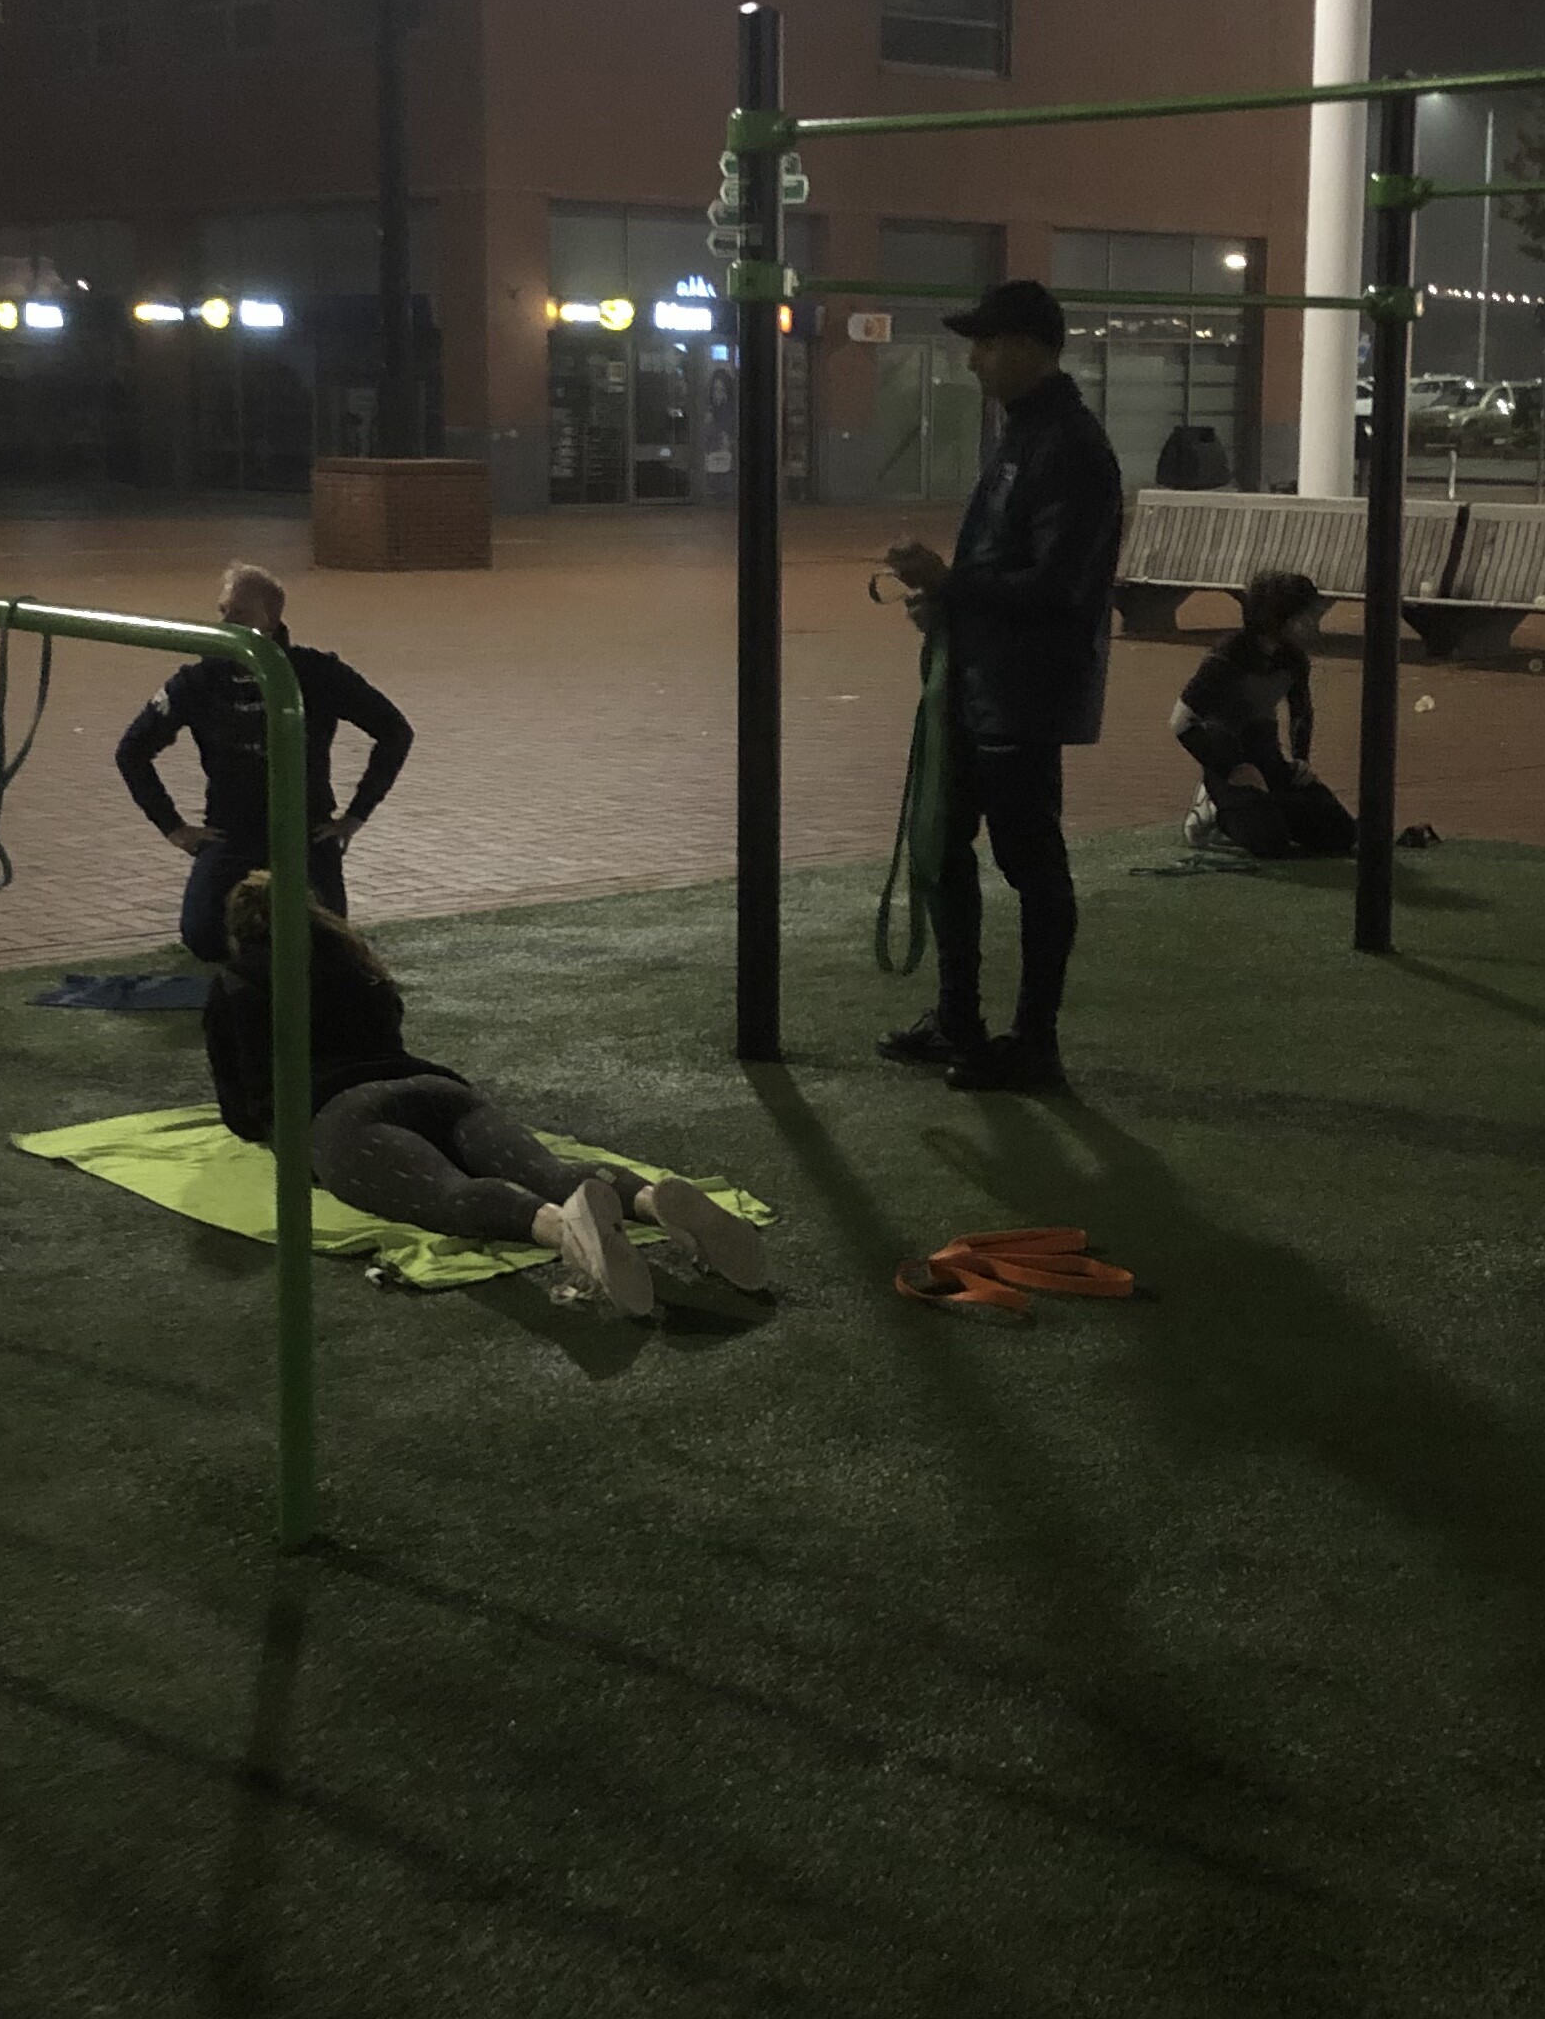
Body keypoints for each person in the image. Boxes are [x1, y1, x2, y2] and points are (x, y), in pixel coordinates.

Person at [201, 877, 766, 1318]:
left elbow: (242, 1104)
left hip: (341, 1113)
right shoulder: (355, 961)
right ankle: (649, 1200)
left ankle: (565, 1230)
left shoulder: (236, 983)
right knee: (547, 1169)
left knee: (446, 1194)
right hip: (438, 1089)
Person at [879, 279, 1126, 1093]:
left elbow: (1059, 587)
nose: (974, 361)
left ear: (1029, 346)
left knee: (1031, 864)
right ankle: (960, 1021)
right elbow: (1017, 572)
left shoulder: (1069, 447)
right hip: (985, 681)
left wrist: (952, 587)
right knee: (945, 844)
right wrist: (949, 600)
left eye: (986, 344)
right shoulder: (1029, 435)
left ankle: (1034, 1042)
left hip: (1025, 692)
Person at [113, 563, 415, 957]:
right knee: (204, 937)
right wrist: (174, 828)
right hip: (232, 834)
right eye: (223, 612)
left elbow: (395, 731)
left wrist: (355, 816)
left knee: (322, 942)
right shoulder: (200, 681)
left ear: (271, 621)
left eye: (239, 614)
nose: (226, 624)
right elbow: (132, 751)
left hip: (306, 832)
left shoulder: (316, 673)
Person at [1170, 567, 1339, 851]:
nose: (1313, 622)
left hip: (1268, 759)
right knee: (1271, 843)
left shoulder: (1293, 659)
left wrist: (1301, 760)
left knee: (1339, 833)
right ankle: (1211, 806)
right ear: (1279, 618)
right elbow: (1181, 722)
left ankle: (1268, 807)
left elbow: (1301, 711)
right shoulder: (1226, 657)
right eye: (1305, 615)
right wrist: (1232, 769)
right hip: (1231, 765)